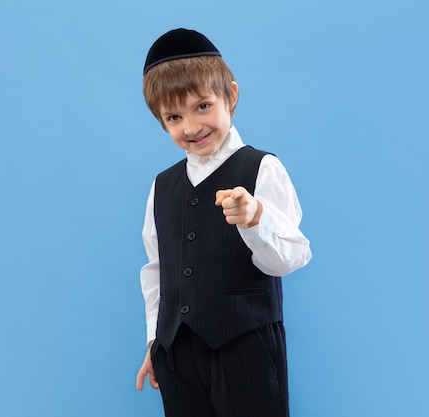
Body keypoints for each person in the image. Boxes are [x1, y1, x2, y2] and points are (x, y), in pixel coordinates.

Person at [135, 28, 312, 417]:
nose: (192, 127)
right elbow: (157, 270)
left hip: (244, 350)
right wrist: (155, 342)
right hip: (178, 355)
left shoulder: (261, 168)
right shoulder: (162, 186)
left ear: (231, 95)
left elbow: (294, 255)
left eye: (203, 107)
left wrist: (255, 219)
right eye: (174, 117)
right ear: (162, 121)